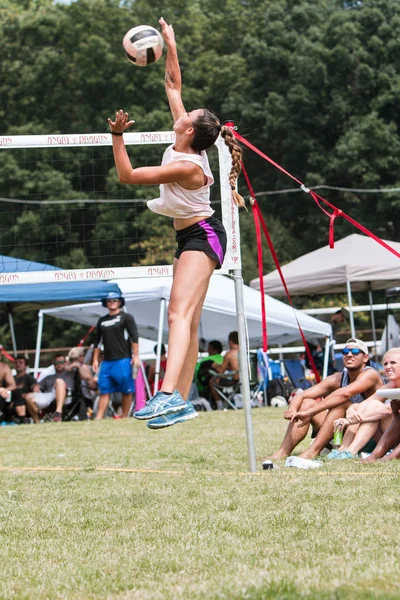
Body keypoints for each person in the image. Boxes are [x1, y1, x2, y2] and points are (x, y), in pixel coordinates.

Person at [109, 18, 243, 429]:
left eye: (190, 114)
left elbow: (128, 176)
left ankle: (166, 396)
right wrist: (171, 43)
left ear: (189, 130)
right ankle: (181, 400)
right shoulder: (187, 138)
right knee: (189, 317)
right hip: (194, 236)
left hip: (202, 236)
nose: (183, 110)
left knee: (178, 316)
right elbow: (172, 85)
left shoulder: (186, 164)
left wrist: (117, 136)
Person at [267, 339, 383, 462]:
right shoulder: (338, 378)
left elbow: (343, 394)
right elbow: (301, 395)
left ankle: (312, 451)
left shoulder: (371, 374)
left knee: (342, 403)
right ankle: (282, 452)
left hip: (370, 433)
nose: (349, 354)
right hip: (344, 428)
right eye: (345, 351)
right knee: (307, 402)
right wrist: (292, 410)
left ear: (365, 358)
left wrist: (310, 413)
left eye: (354, 351)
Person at [92, 292, 140, 420]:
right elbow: (97, 342)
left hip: (123, 358)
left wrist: (136, 356)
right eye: (109, 300)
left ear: (119, 302)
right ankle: (99, 417)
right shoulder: (102, 321)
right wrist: (95, 360)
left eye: (114, 300)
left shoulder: (126, 317)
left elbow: (134, 337)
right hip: (107, 361)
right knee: (104, 389)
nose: (112, 302)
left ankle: (125, 415)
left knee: (126, 388)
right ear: (105, 303)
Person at [358, 347, 400, 463]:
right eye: (385, 363)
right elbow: (367, 403)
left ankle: (390, 456)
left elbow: (345, 393)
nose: (387, 367)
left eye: (393, 363)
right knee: (396, 418)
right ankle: (374, 456)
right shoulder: (391, 386)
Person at [25, 353, 77, 422]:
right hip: (49, 396)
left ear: (65, 363)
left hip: (67, 396)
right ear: (53, 364)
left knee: (59, 381)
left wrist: (72, 365)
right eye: (56, 362)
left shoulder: (72, 373)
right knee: (28, 397)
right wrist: (34, 387)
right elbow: (38, 386)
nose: (59, 364)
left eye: (61, 362)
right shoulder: (48, 377)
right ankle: (37, 422)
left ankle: (58, 413)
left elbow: (86, 375)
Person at [208, 332, 240, 409]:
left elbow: (220, 372)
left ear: (230, 342)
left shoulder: (229, 354)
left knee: (212, 381)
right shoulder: (246, 351)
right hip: (250, 380)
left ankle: (219, 404)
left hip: (236, 381)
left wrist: (215, 366)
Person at [12, 355, 38, 423]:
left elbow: (36, 388)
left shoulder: (29, 378)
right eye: (16, 363)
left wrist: (27, 394)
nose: (18, 364)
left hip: (25, 404)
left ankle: (22, 421)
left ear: (26, 365)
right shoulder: (11, 379)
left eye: (20, 363)